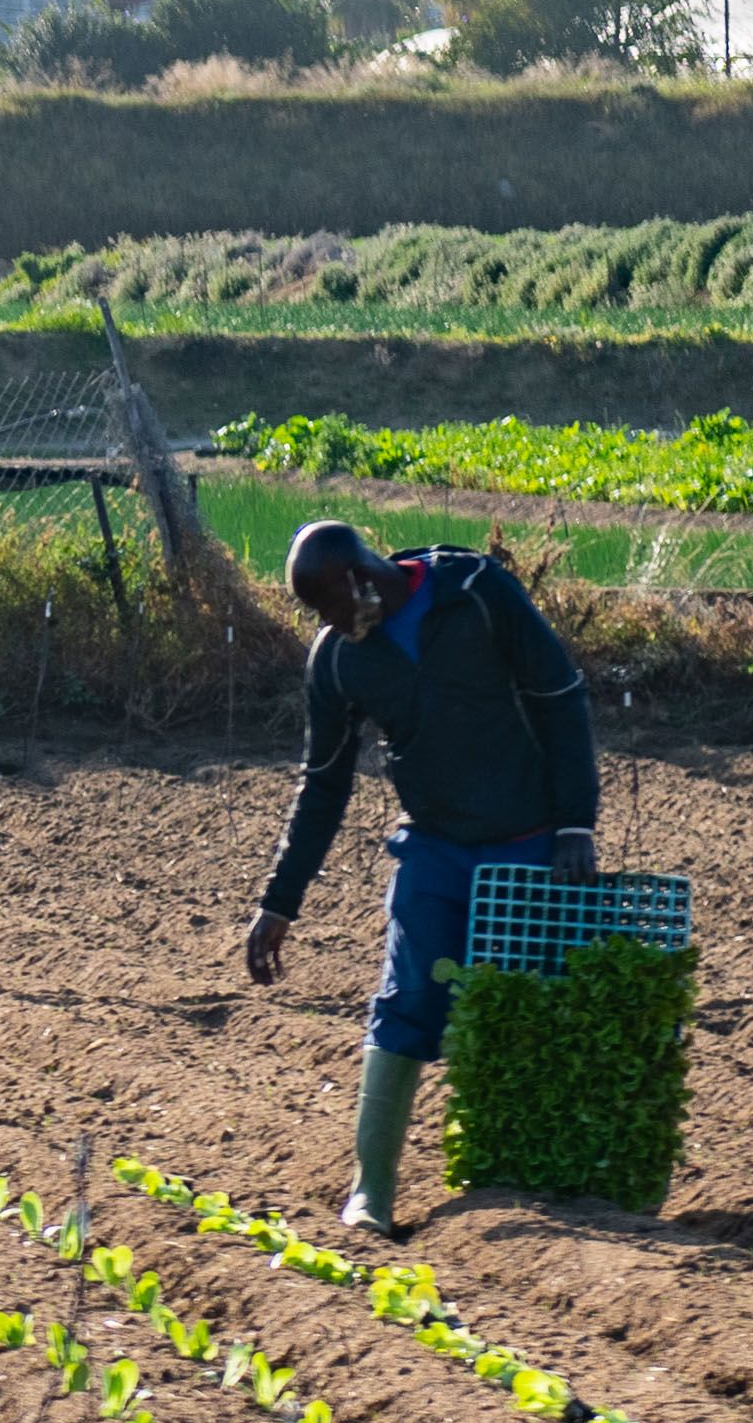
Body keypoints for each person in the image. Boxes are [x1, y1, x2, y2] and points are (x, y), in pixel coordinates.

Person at [238, 517, 602, 1233]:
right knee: (404, 1003)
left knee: (511, 1010)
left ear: (357, 579)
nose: (328, 625)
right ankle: (370, 1191)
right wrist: (279, 900)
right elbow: (322, 784)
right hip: (433, 848)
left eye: (329, 607)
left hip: (526, 843)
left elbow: (560, 695)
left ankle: (525, 1177)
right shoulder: (338, 662)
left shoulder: (474, 593)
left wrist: (574, 824)